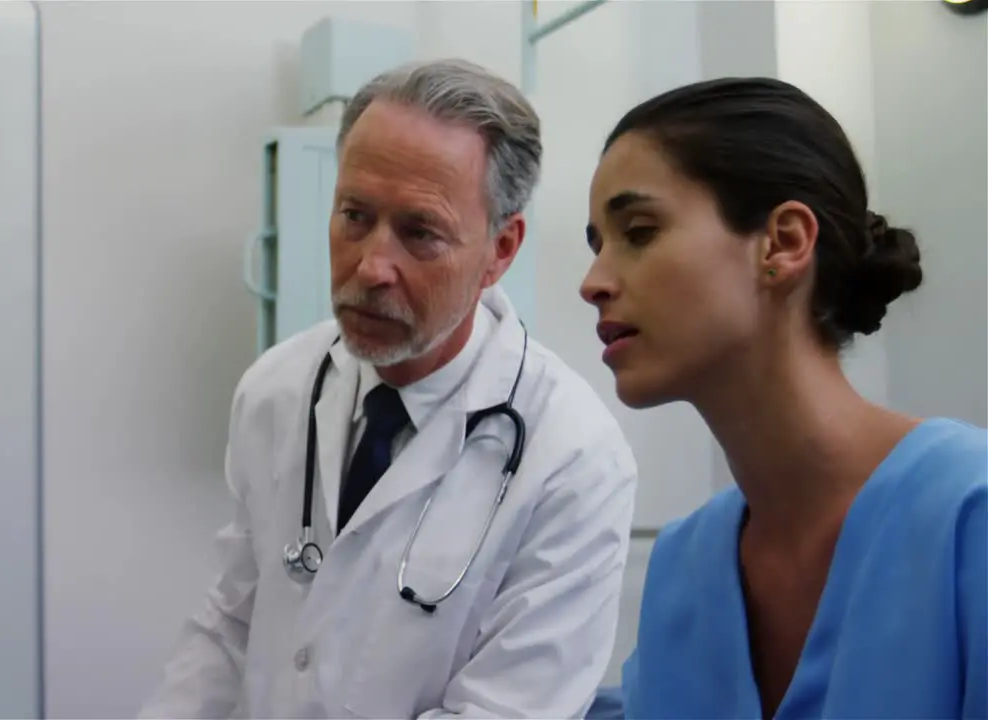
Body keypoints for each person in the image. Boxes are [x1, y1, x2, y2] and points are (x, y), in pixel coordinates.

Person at [139, 59, 639, 719]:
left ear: (501, 249)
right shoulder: (278, 389)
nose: (371, 266)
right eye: (354, 215)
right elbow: (230, 624)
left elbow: (506, 711)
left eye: (420, 233)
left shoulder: (574, 459)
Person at [580, 76, 987, 719]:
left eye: (639, 231)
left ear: (785, 242)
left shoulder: (971, 515)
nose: (593, 283)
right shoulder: (684, 569)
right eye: (597, 244)